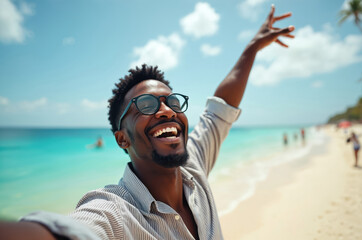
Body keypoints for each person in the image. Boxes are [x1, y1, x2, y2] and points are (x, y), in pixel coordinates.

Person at [0, 5, 294, 240]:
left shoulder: (195, 166)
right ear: (122, 139)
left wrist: (251, 49)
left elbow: (220, 108)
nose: (166, 110)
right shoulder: (115, 213)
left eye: (172, 101)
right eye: (146, 105)